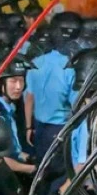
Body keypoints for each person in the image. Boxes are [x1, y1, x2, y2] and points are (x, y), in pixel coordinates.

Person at [25, 24, 77, 165]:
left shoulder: (35, 64)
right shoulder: (68, 66)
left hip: (39, 126)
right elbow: (76, 102)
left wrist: (29, 127)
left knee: (41, 169)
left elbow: (29, 98)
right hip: (60, 127)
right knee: (59, 171)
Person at [0, 53, 37, 176]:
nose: (18, 87)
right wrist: (32, 169)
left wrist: (28, 158)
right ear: (0, 84)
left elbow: (13, 150)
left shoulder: (6, 109)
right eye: (13, 81)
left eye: (21, 81)